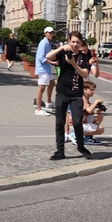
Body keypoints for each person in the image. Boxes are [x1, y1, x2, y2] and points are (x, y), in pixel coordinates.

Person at [46, 31, 92, 161]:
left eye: (78, 42)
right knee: (59, 122)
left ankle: (81, 147)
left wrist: (73, 63)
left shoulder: (84, 57)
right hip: (62, 92)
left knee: (77, 122)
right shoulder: (63, 53)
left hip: (76, 94)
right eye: (73, 42)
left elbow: (84, 74)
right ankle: (60, 150)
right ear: (69, 42)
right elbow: (48, 56)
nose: (75, 44)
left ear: (81, 43)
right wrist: (61, 48)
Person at [34, 27, 58, 116]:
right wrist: (52, 62)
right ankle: (38, 108)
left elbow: (47, 55)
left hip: (46, 68)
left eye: (52, 33)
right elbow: (41, 57)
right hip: (42, 69)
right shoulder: (43, 43)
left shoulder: (48, 43)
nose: (51, 34)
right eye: (49, 33)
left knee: (52, 83)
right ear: (45, 33)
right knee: (41, 88)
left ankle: (48, 102)